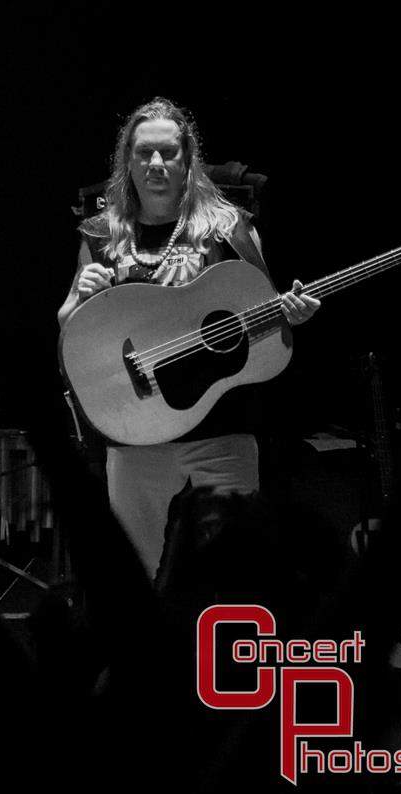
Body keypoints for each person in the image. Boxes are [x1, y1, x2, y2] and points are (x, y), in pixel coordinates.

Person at [56, 97, 319, 581]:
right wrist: (78, 302)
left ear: (187, 160)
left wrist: (290, 317)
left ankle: (222, 656)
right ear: (128, 161)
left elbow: (265, 317)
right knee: (130, 576)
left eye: (168, 153)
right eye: (144, 153)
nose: (156, 164)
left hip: (223, 429)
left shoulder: (227, 228)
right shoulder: (101, 235)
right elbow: (70, 334)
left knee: (238, 572)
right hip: (136, 435)